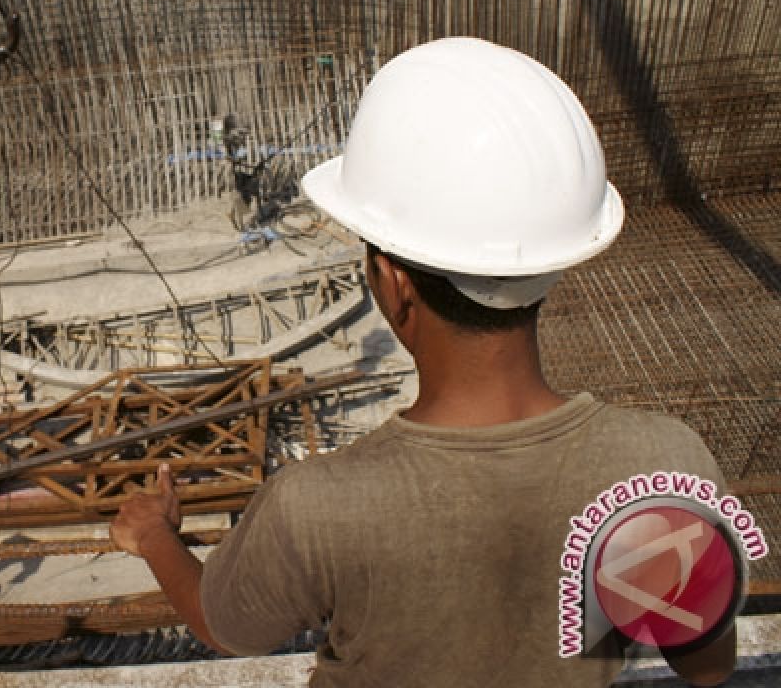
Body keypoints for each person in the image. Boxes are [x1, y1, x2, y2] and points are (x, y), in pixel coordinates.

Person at [111, 38, 736, 686]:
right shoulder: (667, 464)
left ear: (392, 282)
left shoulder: (318, 508)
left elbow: (225, 625)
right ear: (548, 265)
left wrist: (154, 534)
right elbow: (708, 664)